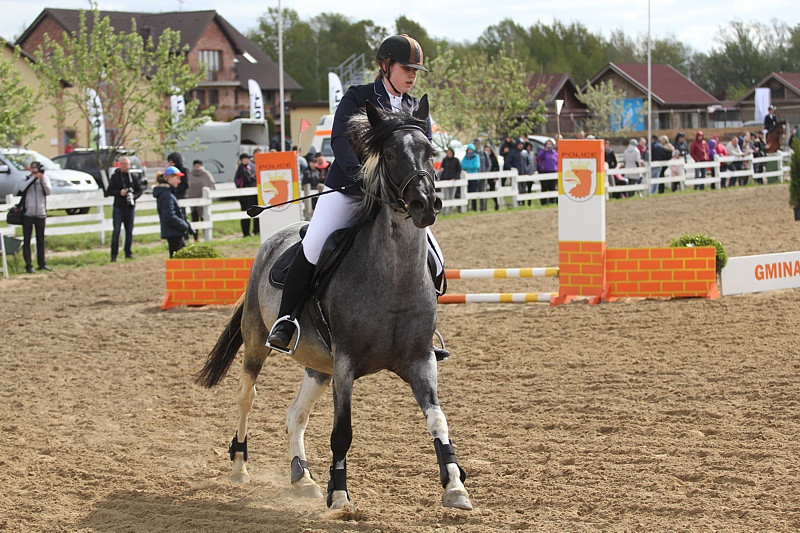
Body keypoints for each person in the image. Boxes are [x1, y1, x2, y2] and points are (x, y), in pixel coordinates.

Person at [265, 34, 448, 361]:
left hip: (396, 201)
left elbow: (424, 154)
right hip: (350, 190)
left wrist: (421, 188)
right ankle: (287, 320)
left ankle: (421, 332)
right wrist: (360, 177)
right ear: (385, 65)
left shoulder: (415, 108)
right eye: (406, 68)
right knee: (314, 244)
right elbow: (339, 140)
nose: (412, 75)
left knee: (435, 259)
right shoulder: (358, 97)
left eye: (416, 71)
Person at [14, 161, 52, 273]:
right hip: (28, 214)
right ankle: (28, 265)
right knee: (27, 240)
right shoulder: (25, 179)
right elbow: (22, 189)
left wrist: (42, 179)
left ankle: (42, 263)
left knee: (41, 240)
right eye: (33, 167)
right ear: (30, 169)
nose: (35, 169)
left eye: (37, 167)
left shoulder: (44, 179)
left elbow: (48, 191)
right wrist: (33, 178)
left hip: (40, 213)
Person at [107, 156, 144, 261]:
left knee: (129, 231)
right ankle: (113, 255)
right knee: (116, 231)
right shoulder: (115, 177)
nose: (124, 166)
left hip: (129, 208)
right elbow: (109, 191)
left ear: (129, 165)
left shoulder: (133, 177)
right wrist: (119, 192)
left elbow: (140, 190)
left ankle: (128, 253)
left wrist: (133, 196)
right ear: (119, 165)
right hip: (118, 207)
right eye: (122, 164)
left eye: (126, 164)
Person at [154, 166, 191, 257]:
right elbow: (170, 216)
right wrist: (184, 225)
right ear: (170, 178)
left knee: (180, 257)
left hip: (173, 231)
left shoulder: (167, 193)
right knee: (178, 258)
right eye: (177, 178)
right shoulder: (167, 195)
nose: (179, 181)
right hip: (173, 231)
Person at [234, 153, 259, 237]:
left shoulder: (250, 167)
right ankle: (246, 232)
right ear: (242, 160)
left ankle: (256, 230)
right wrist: (255, 176)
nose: (247, 160)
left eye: (248, 158)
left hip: (251, 194)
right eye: (245, 158)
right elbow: (248, 179)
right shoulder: (241, 169)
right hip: (245, 196)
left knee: (255, 212)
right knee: (245, 213)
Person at [186, 159, 216, 229]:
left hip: (203, 199)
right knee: (194, 218)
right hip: (193, 199)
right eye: (195, 165)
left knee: (204, 217)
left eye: (198, 165)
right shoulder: (189, 175)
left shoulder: (206, 174)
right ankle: (195, 234)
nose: (197, 167)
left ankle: (205, 233)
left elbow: (212, 184)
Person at [437, 148, 461, 214]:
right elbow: (442, 168)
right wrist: (441, 171)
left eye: (450, 153)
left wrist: (455, 178)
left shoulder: (456, 160)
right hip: (445, 180)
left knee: (451, 196)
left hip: (453, 181)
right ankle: (444, 210)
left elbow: (459, 170)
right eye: (448, 153)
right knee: (445, 196)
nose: (449, 154)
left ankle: (450, 210)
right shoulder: (445, 160)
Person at [536, 139, 558, 205]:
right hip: (544, 171)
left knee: (552, 187)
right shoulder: (542, 152)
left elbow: (557, 162)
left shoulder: (555, 153)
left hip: (553, 172)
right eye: (547, 144)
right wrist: (545, 150)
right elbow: (539, 158)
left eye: (550, 144)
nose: (549, 145)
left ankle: (552, 201)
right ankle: (544, 202)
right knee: (544, 187)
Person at [461, 143, 482, 211]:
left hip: (474, 178)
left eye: (471, 150)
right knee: (466, 192)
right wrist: (470, 166)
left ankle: (474, 208)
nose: (470, 151)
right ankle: (467, 207)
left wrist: (468, 167)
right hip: (466, 178)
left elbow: (476, 166)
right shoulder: (465, 157)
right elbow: (462, 165)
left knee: (473, 192)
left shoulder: (476, 156)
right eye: (469, 150)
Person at [482, 143, 501, 210]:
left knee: (492, 190)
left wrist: (496, 177)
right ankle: (484, 207)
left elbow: (497, 167)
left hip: (492, 176)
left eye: (488, 148)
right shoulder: (483, 156)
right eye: (486, 148)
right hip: (485, 175)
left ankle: (496, 203)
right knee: (484, 191)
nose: (487, 149)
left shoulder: (493, 157)